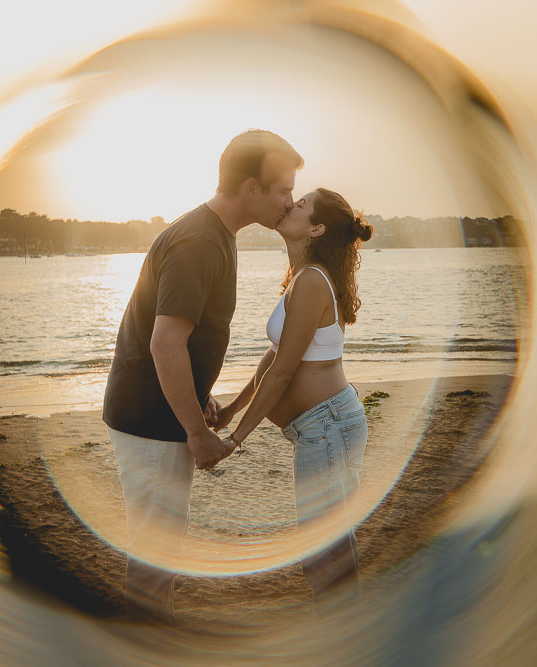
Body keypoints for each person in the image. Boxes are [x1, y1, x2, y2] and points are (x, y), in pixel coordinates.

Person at [102, 129, 303, 621]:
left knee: (161, 552)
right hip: (151, 421)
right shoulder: (198, 242)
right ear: (251, 189)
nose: (289, 202)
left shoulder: (216, 235)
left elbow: (183, 340)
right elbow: (164, 343)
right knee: (155, 556)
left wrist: (199, 395)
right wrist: (196, 432)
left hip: (161, 410)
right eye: (283, 191)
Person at [213, 188, 374, 604]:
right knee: (330, 553)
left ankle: (346, 634)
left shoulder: (313, 281)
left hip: (328, 427)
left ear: (317, 229)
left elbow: (284, 372)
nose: (290, 204)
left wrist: (235, 439)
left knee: (325, 558)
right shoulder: (303, 276)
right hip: (325, 427)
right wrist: (232, 409)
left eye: (301, 204)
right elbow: (274, 357)